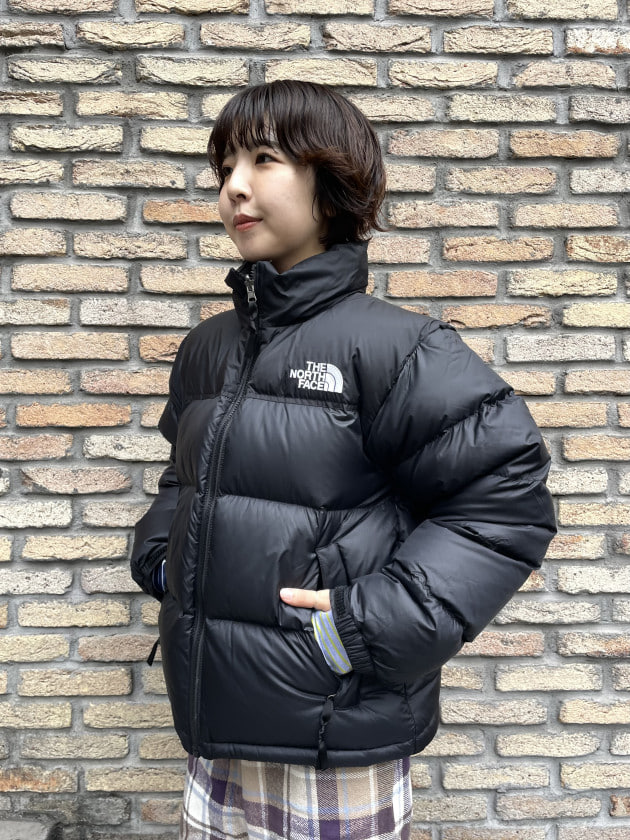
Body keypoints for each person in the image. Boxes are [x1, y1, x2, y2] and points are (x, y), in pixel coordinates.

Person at [131, 80, 556, 840]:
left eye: (264, 159)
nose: (234, 186)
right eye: (224, 166)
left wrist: (364, 627)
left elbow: (505, 501)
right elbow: (184, 476)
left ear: (330, 181)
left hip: (336, 737)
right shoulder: (208, 348)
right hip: (215, 732)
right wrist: (162, 557)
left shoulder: (398, 348)